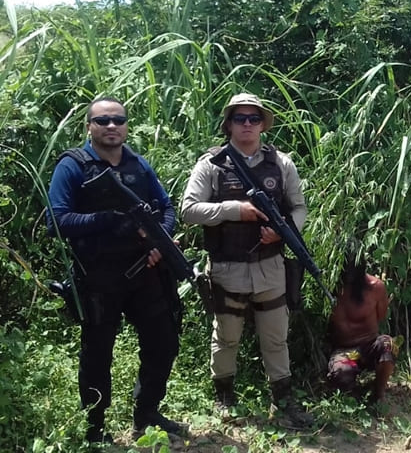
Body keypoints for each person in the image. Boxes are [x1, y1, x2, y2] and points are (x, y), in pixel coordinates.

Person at [47, 97, 182, 444]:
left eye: (118, 120)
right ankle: (94, 428)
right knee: (97, 354)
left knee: (163, 342)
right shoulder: (73, 165)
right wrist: (110, 222)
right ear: (89, 126)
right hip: (99, 277)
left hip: (145, 274)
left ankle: (147, 413)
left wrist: (158, 242)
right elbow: (57, 220)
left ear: (126, 125)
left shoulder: (137, 164)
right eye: (102, 120)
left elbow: (166, 207)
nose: (111, 126)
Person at [180, 92, 313, 428]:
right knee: (226, 336)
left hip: (270, 266)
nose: (248, 125)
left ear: (262, 125)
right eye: (240, 118)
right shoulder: (211, 164)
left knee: (275, 336)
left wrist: (285, 233)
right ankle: (224, 395)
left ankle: (282, 399)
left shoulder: (281, 163)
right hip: (227, 267)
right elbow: (188, 211)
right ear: (229, 124)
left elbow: (299, 208)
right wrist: (233, 211)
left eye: (254, 119)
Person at [326, 254, 397, 402]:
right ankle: (356, 398)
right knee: (342, 373)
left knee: (389, 345)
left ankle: (379, 393)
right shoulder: (329, 288)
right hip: (344, 351)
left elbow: (381, 316)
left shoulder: (375, 287)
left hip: (370, 346)